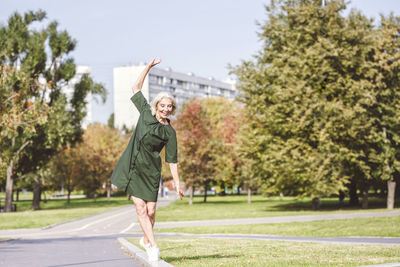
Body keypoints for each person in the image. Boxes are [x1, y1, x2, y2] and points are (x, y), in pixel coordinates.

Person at [110, 58, 184, 262]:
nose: (165, 108)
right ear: (157, 105)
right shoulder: (145, 112)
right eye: (162, 105)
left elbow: (172, 160)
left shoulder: (169, 131)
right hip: (133, 167)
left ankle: (145, 238)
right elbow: (135, 87)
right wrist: (149, 68)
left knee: (151, 211)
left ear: (172, 109)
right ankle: (153, 246)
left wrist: (177, 183)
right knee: (140, 208)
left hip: (151, 171)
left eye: (169, 106)